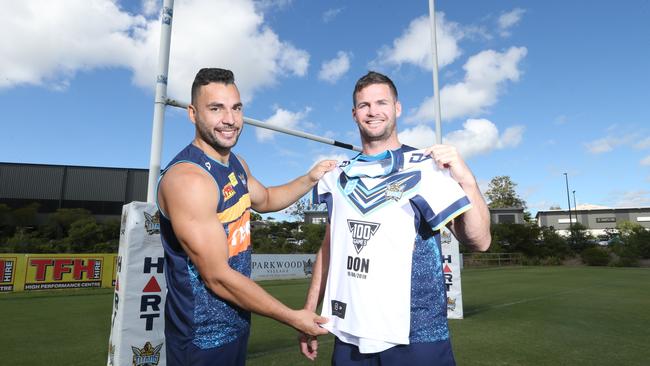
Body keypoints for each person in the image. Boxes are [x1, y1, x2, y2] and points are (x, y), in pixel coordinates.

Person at [298, 71, 491, 365]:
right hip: (351, 334)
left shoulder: (427, 168)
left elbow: (479, 240)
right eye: (364, 105)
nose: (373, 111)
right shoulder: (336, 176)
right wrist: (310, 309)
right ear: (354, 114)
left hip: (417, 335)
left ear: (397, 108)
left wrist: (467, 180)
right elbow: (328, 248)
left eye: (381, 103)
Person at [157, 68, 334, 365]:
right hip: (201, 338)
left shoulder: (237, 164)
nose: (230, 119)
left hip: (236, 324)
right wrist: (293, 317)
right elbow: (217, 278)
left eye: (236, 108)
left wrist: (311, 178)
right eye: (216, 108)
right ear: (192, 113)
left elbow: (266, 199)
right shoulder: (189, 179)